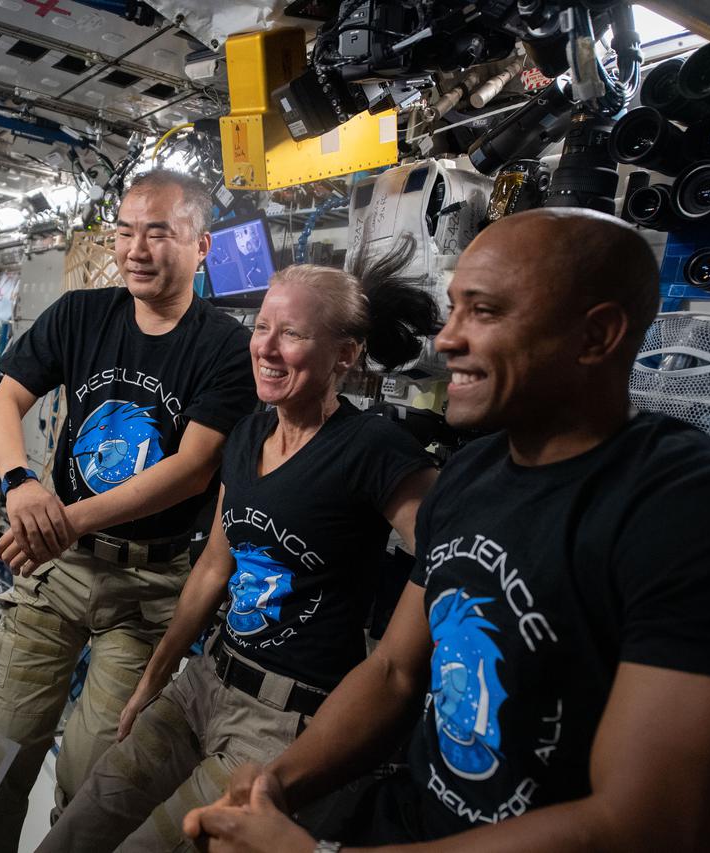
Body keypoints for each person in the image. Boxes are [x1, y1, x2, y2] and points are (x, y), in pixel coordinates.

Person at [184, 208, 710, 852]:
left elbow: (646, 823)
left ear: (596, 336)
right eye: (453, 309)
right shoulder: (471, 473)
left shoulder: (708, 517)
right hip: (404, 821)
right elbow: (396, 670)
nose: (447, 339)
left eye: (482, 312)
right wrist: (277, 784)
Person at [38, 242, 442, 853]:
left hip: (284, 721)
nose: (266, 347)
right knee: (81, 822)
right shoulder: (251, 430)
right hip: (205, 681)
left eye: (293, 334)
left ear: (345, 354)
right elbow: (213, 566)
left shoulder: (374, 449)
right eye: (262, 328)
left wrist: (392, 666)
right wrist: (155, 676)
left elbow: (449, 560)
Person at [0, 169, 256, 851]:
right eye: (126, 231)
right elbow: (3, 402)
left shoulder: (224, 347)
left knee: (94, 769)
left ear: (201, 247)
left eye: (158, 232)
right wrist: (20, 483)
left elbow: (190, 472)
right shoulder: (81, 314)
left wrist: (63, 516)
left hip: (148, 587)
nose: (136, 248)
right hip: (59, 566)